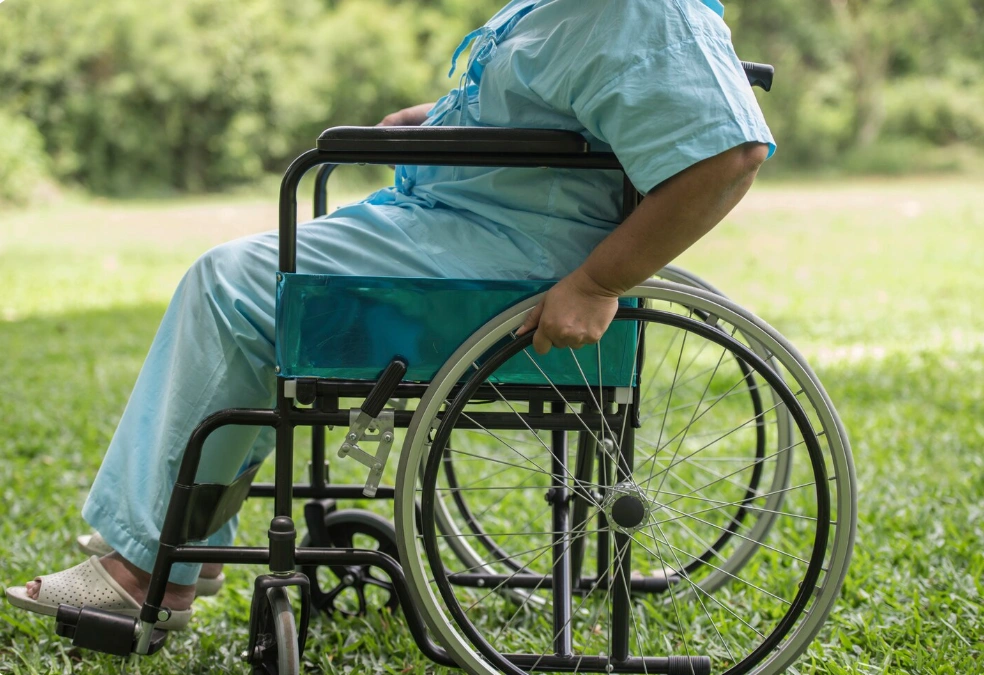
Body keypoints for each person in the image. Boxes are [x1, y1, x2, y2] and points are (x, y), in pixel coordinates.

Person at [5, 0, 773, 629]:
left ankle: (150, 567)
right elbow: (553, 117)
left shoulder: (640, 11)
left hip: (501, 265)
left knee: (232, 283)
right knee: (242, 275)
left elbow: (728, 153)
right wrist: (439, 124)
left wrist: (600, 282)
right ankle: (175, 534)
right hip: (462, 231)